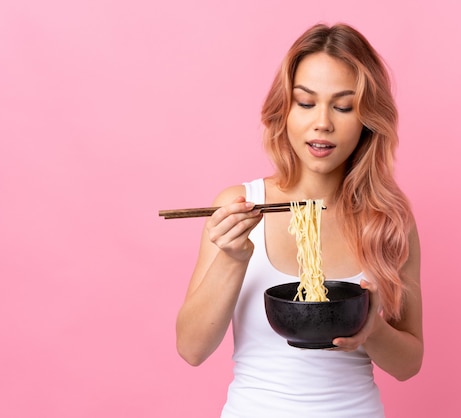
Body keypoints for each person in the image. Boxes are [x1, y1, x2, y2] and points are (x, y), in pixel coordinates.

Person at [175, 22, 424, 417]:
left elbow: (409, 364)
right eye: (306, 102)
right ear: (284, 110)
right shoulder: (241, 205)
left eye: (343, 107)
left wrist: (371, 331)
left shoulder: (388, 219)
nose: (322, 122)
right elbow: (191, 349)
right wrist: (232, 258)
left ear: (366, 121)